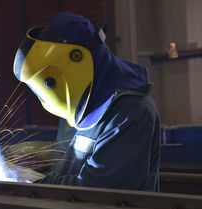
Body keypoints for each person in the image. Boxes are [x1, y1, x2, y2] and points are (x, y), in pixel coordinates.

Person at [13, 12, 160, 191]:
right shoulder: (79, 104)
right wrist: (39, 154)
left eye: (48, 83)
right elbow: (73, 159)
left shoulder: (131, 112)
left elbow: (94, 189)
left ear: (76, 60)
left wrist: (29, 183)